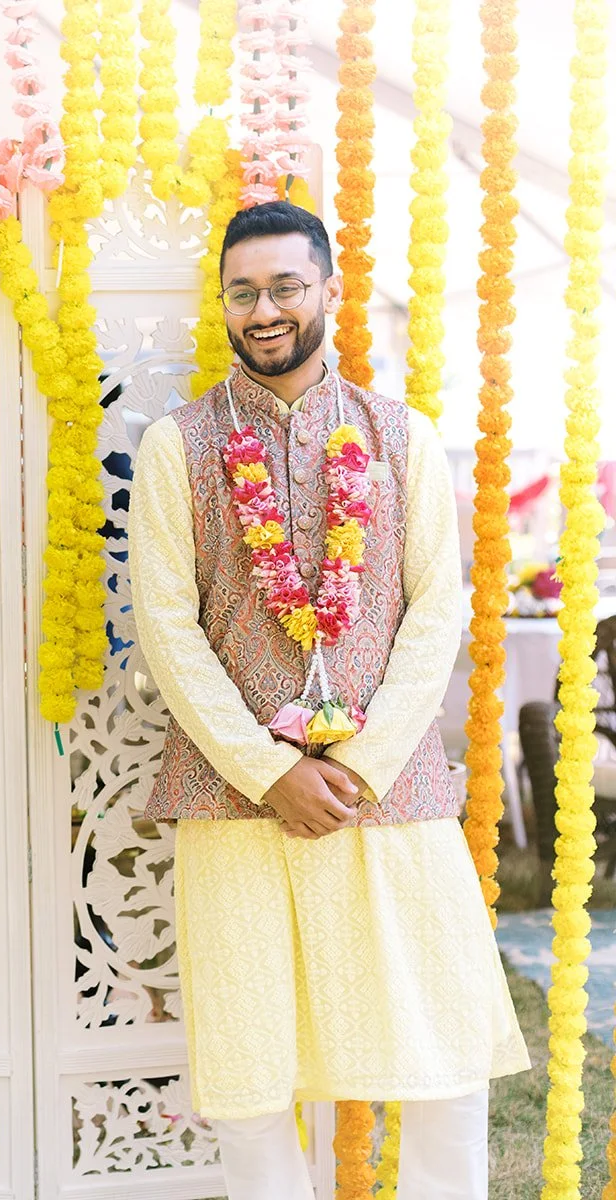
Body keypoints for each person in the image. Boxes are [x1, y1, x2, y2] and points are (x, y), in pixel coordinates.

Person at [127, 202, 528, 1199]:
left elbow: (437, 607)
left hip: (386, 794)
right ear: (222, 303)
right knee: (251, 1065)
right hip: (232, 800)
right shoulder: (177, 448)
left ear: (330, 294)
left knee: (441, 1049)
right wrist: (269, 771)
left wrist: (353, 767)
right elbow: (167, 626)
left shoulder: (399, 437)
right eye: (242, 291)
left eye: (283, 286)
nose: (262, 309)